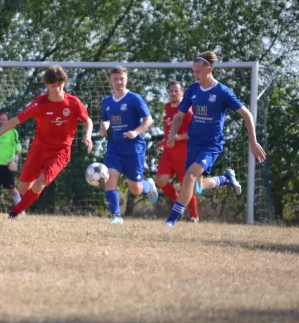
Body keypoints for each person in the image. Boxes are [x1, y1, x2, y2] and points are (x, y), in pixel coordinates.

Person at [164, 52, 267, 226]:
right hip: (194, 143)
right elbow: (179, 116)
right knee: (196, 187)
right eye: (193, 71)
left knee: (189, 176)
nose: (195, 74)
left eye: (198, 71)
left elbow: (247, 115)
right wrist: (172, 134)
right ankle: (225, 179)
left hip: (211, 145)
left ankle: (171, 221)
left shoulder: (222, 92)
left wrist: (253, 142)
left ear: (209, 69)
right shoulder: (192, 90)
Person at [0, 66, 93, 218]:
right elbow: (15, 120)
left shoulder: (73, 103)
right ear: (47, 86)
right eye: (53, 86)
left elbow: (88, 121)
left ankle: (14, 213)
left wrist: (87, 136)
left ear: (64, 83)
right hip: (39, 149)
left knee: (39, 184)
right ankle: (24, 202)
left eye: (60, 85)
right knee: (23, 188)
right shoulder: (39, 104)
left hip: (60, 151)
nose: (57, 89)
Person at [156, 81, 240, 223]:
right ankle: (180, 205)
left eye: (176, 90)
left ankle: (192, 215)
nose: (173, 93)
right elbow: (171, 131)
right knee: (162, 180)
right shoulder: (167, 108)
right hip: (169, 153)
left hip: (186, 152)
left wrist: (179, 137)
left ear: (183, 93)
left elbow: (193, 132)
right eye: (171, 90)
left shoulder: (188, 111)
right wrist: (165, 141)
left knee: (191, 187)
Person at [99, 66, 158, 225]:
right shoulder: (106, 101)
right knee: (109, 179)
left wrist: (136, 132)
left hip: (133, 149)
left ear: (127, 79)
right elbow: (105, 119)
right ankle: (116, 216)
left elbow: (149, 120)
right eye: (116, 79)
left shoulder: (134, 98)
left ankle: (149, 185)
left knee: (135, 189)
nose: (119, 82)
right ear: (111, 80)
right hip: (114, 149)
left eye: (122, 79)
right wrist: (104, 127)